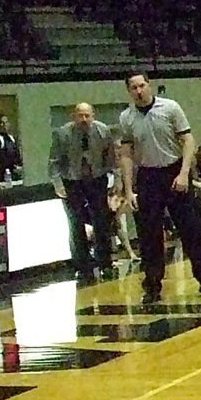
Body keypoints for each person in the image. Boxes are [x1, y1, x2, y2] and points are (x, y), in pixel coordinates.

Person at [118, 72, 201, 304]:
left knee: (191, 230)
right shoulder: (126, 117)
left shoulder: (170, 108)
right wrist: (128, 189)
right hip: (148, 176)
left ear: (149, 86)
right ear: (129, 91)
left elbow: (188, 140)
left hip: (174, 171)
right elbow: (126, 154)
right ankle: (153, 285)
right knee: (150, 235)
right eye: (134, 87)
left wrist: (184, 173)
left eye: (142, 85)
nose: (139, 90)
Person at [48, 102, 118, 282]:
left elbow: (111, 159)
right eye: (81, 115)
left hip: (96, 178)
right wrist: (58, 185)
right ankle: (82, 266)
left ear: (93, 116)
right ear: (74, 116)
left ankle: (105, 263)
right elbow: (54, 161)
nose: (84, 119)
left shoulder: (103, 131)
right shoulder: (63, 134)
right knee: (75, 222)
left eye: (87, 115)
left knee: (101, 221)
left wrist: (113, 181)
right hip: (72, 180)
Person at [0, 115, 24, 183]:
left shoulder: (12, 138)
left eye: (6, 122)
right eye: (2, 123)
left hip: (16, 175)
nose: (4, 125)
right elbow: (2, 159)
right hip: (5, 175)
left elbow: (17, 155)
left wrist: (20, 166)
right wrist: (14, 167)